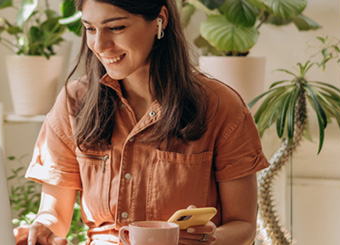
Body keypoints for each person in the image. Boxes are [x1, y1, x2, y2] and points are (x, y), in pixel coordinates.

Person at [13, 0, 269, 244]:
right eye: (90, 28)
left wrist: (210, 239)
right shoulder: (74, 101)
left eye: (116, 27)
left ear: (160, 21)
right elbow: (54, 214)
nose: (100, 44)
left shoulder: (221, 106)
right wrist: (42, 230)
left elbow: (243, 226)